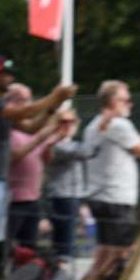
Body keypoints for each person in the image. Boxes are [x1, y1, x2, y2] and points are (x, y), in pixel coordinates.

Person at [0, 56, 76, 280]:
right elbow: (25, 113)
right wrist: (55, 96)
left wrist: (52, 109)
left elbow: (31, 126)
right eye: (5, 74)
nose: (10, 78)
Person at [82, 79, 140, 280]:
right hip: (116, 196)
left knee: (104, 248)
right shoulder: (118, 124)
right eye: (126, 100)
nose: (130, 104)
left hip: (98, 195)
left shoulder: (93, 125)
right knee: (120, 249)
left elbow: (136, 149)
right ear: (112, 101)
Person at [4, 83, 69, 262]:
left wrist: (51, 142)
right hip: (13, 198)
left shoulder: (31, 127)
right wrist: (41, 137)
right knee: (6, 244)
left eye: (28, 99)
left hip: (32, 197)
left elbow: (45, 159)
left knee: (29, 246)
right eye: (23, 100)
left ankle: (23, 279)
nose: (28, 104)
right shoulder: (8, 128)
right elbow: (14, 157)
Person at [42, 107, 94, 271]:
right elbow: (86, 152)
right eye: (63, 121)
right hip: (62, 196)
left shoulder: (71, 144)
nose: (68, 125)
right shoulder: (55, 145)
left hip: (73, 195)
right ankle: (60, 277)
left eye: (71, 121)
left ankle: (59, 275)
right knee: (64, 241)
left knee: (66, 239)